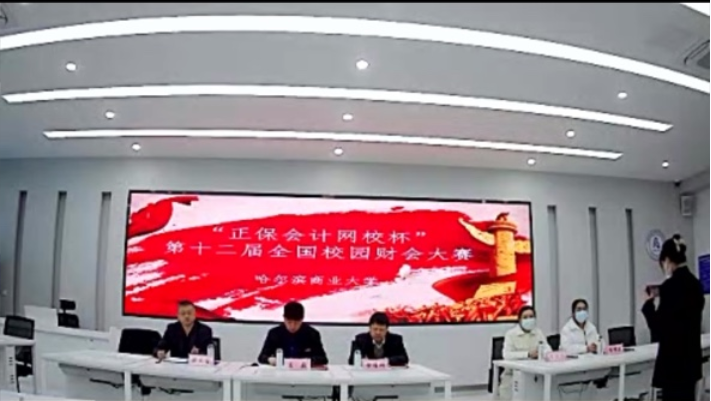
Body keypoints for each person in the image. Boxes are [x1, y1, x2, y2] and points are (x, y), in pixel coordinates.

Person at [643, 235, 704, 401]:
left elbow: (659, 329)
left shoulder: (669, 288)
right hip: (691, 362)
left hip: (673, 364)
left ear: (667, 260)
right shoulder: (696, 284)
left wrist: (648, 306)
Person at [499, 306, 551, 400]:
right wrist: (528, 354)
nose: (529, 319)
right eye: (525, 317)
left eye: (531, 316)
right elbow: (506, 355)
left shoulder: (538, 332)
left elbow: (547, 349)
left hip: (535, 375)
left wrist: (542, 352)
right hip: (513, 376)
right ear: (519, 319)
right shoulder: (511, 334)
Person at [257, 301, 328, 366]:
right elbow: (261, 357)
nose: (292, 326)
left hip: (304, 372)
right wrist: (270, 360)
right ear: (284, 319)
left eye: (296, 323)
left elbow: (323, 359)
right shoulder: (274, 333)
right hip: (280, 371)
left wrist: (308, 361)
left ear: (302, 319)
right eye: (289, 322)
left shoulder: (312, 334)